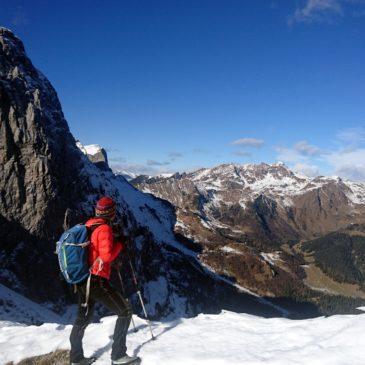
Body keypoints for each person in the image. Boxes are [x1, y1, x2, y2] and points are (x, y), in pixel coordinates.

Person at [69, 196, 140, 365]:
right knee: (125, 311)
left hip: (82, 278)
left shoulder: (89, 224)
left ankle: (76, 358)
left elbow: (95, 249)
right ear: (111, 212)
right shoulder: (105, 229)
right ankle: (118, 356)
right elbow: (106, 256)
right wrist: (120, 243)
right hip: (96, 280)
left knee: (82, 318)